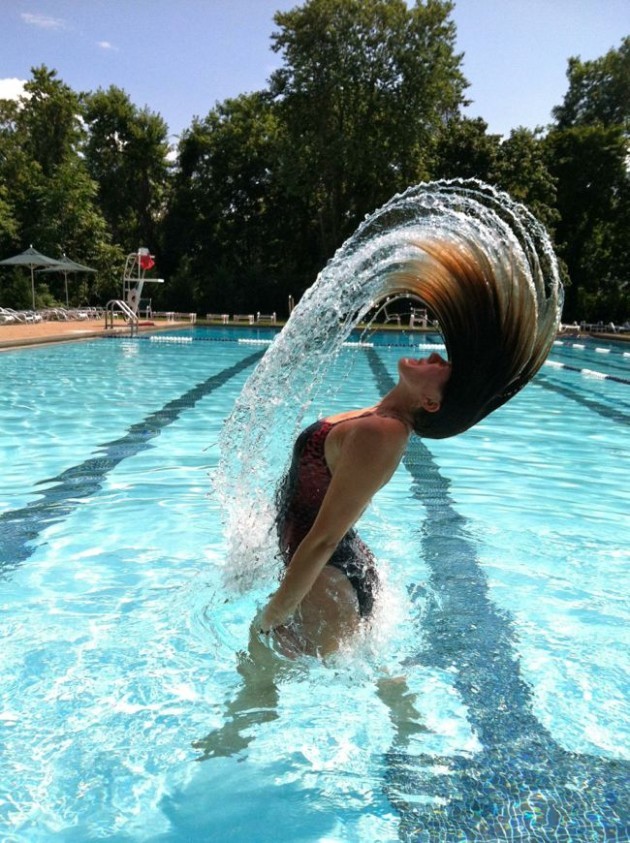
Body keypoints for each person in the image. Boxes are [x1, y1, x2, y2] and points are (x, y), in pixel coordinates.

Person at [256, 352, 451, 656]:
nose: (436, 356)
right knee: (368, 679)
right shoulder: (380, 418)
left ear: (430, 403)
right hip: (329, 573)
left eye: (445, 367)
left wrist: (267, 619)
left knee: (260, 674)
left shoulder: (383, 432)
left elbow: (323, 540)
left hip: (327, 578)